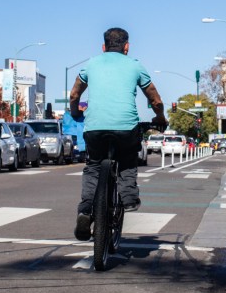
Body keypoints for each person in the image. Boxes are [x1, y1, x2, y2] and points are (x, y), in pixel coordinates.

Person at [69, 27, 167, 241]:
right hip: (125, 128)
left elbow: (74, 94)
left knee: (93, 167)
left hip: (94, 128)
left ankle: (85, 210)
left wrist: (75, 112)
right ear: (126, 47)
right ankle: (129, 197)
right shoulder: (135, 65)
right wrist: (160, 117)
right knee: (128, 160)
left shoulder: (91, 64)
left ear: (103, 47)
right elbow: (155, 99)